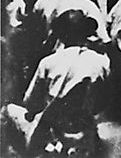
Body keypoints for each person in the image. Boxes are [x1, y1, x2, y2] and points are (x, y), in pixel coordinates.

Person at [3, 10, 110, 157]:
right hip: (86, 128)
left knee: (9, 110)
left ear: (61, 36)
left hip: (53, 131)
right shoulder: (102, 62)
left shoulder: (48, 62)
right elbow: (104, 100)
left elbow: (31, 104)